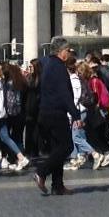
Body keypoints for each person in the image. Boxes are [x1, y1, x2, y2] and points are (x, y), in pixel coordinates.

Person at [33, 37, 77, 196]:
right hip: (56, 113)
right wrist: (76, 115)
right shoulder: (58, 67)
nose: (69, 53)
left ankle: (58, 185)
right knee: (67, 147)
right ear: (62, 52)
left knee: (56, 148)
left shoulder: (47, 64)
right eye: (67, 50)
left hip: (45, 112)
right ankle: (42, 172)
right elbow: (65, 94)